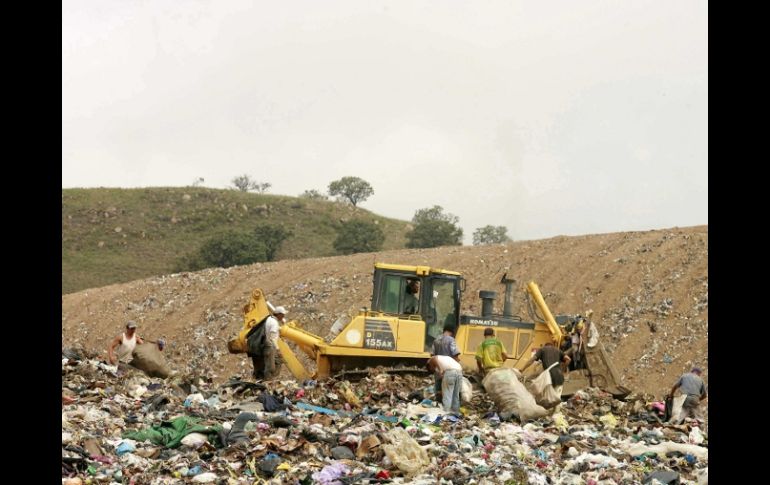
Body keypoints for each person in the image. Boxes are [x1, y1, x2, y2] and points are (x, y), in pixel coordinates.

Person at [255, 305, 285, 380]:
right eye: (283, 315)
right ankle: (267, 381)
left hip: (264, 345)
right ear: (279, 314)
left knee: (277, 362)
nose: (283, 316)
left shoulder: (269, 319)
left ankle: (269, 379)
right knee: (270, 367)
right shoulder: (274, 323)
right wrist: (278, 350)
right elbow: (272, 338)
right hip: (269, 346)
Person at [431, 325, 461, 400]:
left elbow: (432, 355)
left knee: (438, 389)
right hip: (448, 368)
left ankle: (438, 404)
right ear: (452, 332)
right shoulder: (451, 340)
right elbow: (455, 354)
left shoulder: (436, 340)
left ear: (444, 331)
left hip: (438, 369)